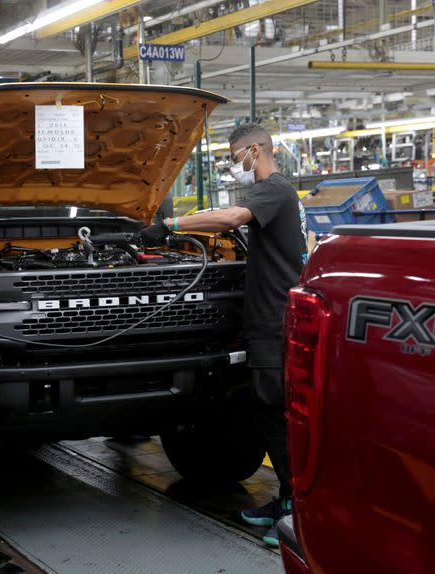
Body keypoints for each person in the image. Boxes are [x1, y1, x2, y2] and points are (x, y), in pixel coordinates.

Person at [139, 123, 307, 547]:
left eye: (234, 158)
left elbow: (231, 217)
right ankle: (285, 500)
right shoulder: (277, 194)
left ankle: (297, 515)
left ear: (255, 151)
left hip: (274, 322)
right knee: (268, 415)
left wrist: (171, 224)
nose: (234, 167)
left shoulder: (275, 189)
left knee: (277, 418)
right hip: (266, 320)